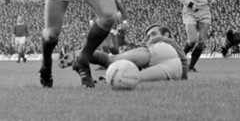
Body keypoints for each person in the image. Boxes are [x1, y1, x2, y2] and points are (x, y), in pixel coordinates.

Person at [60, 23, 188, 82]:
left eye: (153, 34)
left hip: (163, 52)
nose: (150, 38)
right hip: (178, 70)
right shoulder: (177, 49)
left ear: (166, 34)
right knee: (134, 78)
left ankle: (78, 54)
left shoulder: (162, 41)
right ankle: (107, 79)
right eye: (148, 36)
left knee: (113, 60)